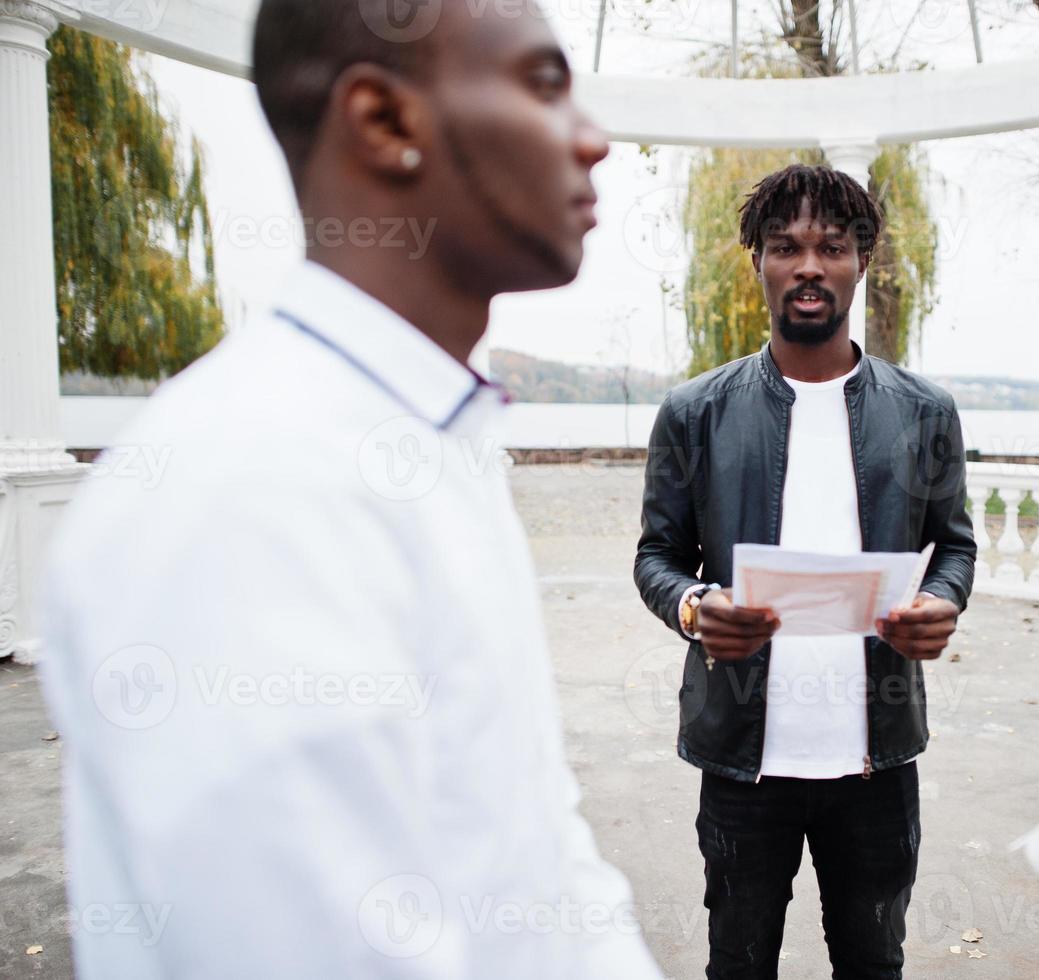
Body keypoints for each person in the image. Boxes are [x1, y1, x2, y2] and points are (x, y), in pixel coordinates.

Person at [38, 1, 661, 977]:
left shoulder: (425, 437)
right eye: (543, 85)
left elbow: (533, 849)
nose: (594, 138)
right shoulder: (251, 488)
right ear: (384, 121)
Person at [634, 164, 977, 979]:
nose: (809, 265)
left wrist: (941, 599)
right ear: (756, 259)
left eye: (831, 245)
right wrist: (693, 607)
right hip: (742, 756)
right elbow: (656, 557)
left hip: (876, 757)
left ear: (862, 259)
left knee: (872, 963)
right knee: (738, 964)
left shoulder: (924, 412)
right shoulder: (695, 412)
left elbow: (955, 545)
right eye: (785, 246)